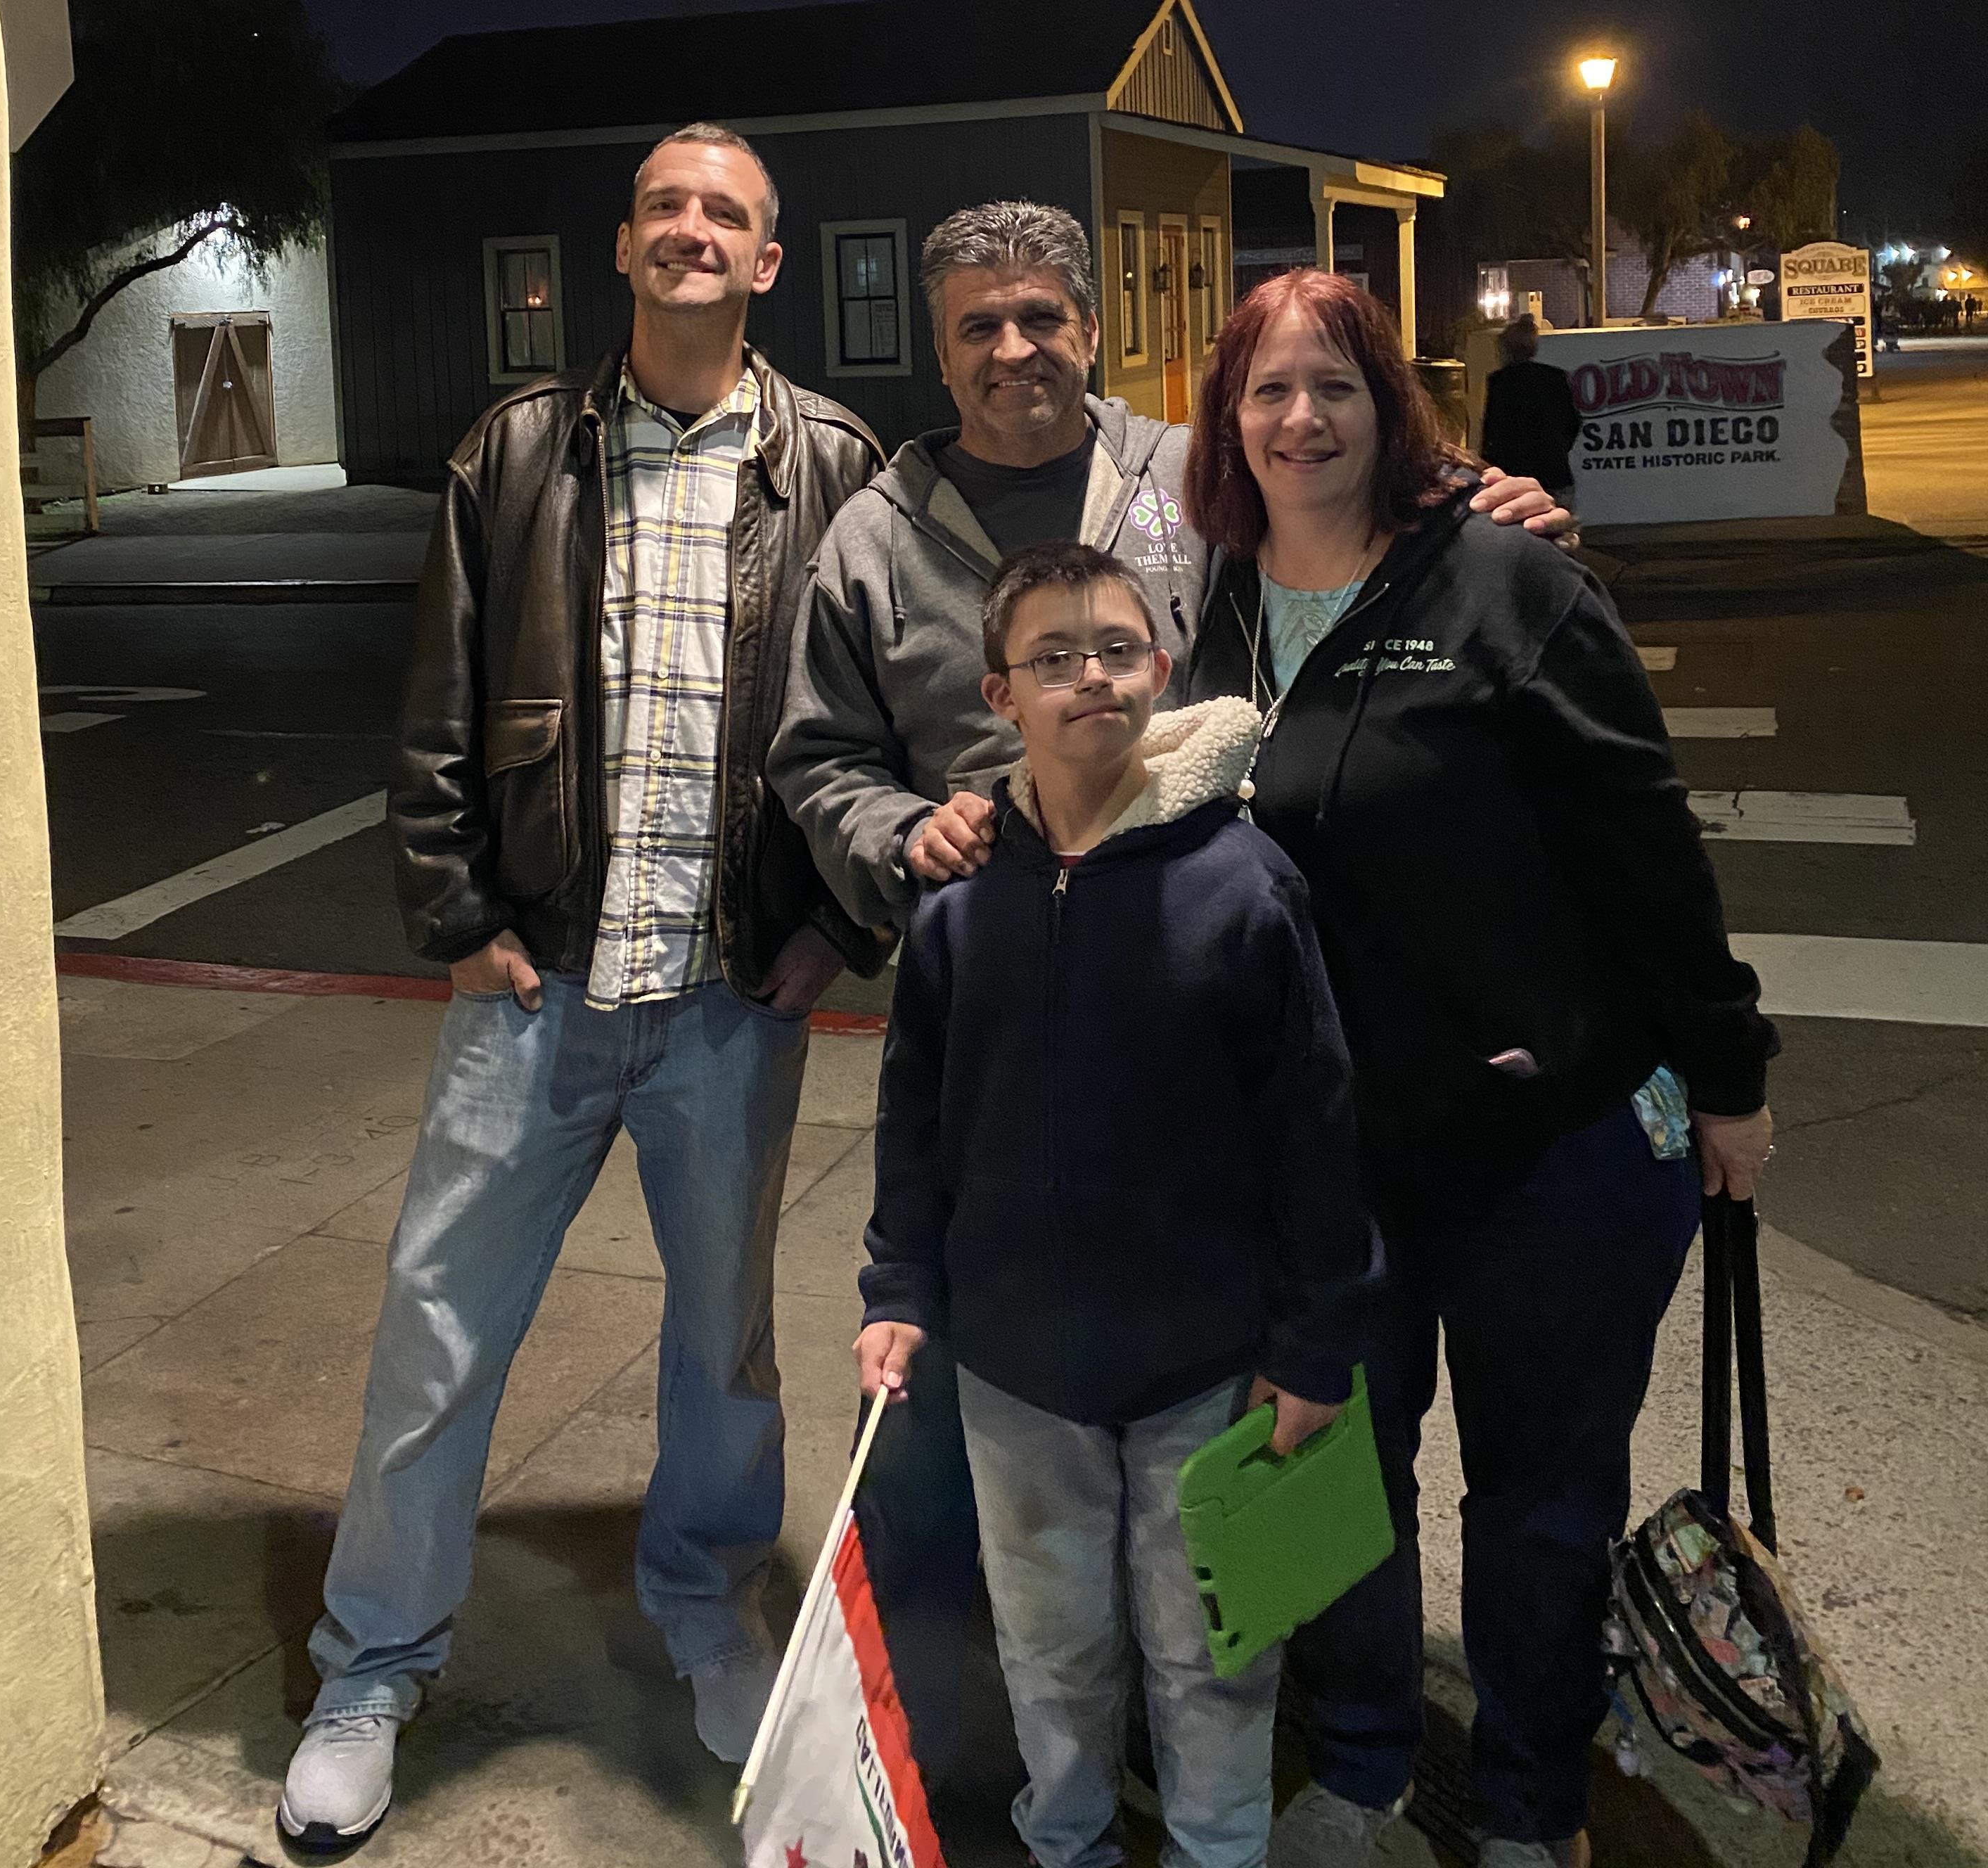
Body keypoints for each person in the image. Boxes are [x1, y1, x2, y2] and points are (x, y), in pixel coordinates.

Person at [769, 198, 1568, 1759]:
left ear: (1088, 325)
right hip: (997, 1001)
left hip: (1202, 985)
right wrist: (893, 830)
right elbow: (817, 753)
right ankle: (1007, 1745)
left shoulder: (1185, 480)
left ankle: (1266, 1729)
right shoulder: (875, 529)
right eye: (978, 327)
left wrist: (1479, 506)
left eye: (1042, 318)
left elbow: (1343, 513)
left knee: (1257, 1382)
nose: (1014, 351)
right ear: (939, 350)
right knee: (994, 1417)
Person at [276, 124, 883, 1852]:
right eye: (669, 207)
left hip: (726, 1003)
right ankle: (374, 1668)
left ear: (770, 263)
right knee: (435, 1337)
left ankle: (705, 1607)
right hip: (534, 990)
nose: (696, 232)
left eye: (731, 216)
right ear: (624, 246)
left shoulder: (833, 463)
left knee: (725, 1346)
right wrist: (457, 914)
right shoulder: (523, 448)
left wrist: (837, 929)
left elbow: (898, 715)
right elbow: (435, 713)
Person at [1177, 269, 1778, 1868]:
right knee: (1321, 1491)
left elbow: (1647, 854)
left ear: (1392, 409)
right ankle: (1364, 1769)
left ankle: (1526, 1805)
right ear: (1228, 420)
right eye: (1267, 391)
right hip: (1330, 1175)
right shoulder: (1224, 603)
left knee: (1539, 1509)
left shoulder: (1507, 583)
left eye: (1336, 389)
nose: (1301, 419)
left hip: (1551, 1155)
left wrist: (1726, 1081)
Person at [855, 542, 1382, 1868]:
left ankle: (1216, 1847)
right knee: (1047, 1644)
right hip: (1015, 1371)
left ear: (1158, 665)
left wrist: (1313, 1340)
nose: (1089, 676)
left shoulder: (1243, 887)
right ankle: (1069, 1837)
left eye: (1114, 647)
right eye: (1050, 658)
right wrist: (898, 1293)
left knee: (1214, 1650)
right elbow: (914, 1123)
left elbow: (1315, 1130)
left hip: (1202, 1367)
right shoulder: (958, 911)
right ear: (998, 694)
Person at [1480, 312, 1581, 496]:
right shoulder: (1556, 377)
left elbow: (1493, 429)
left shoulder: (1499, 381)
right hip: (1554, 470)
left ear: (1506, 349)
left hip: (1514, 473)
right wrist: (1557, 448)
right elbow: (1573, 422)